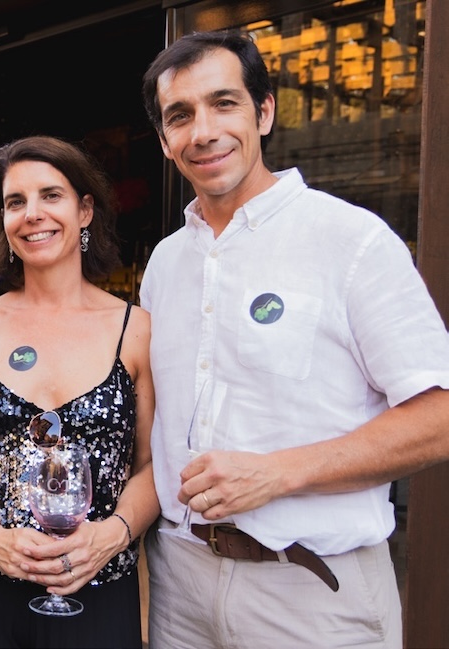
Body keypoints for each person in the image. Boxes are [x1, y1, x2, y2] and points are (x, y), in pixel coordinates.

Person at [139, 30, 449, 648]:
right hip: (180, 585)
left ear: (265, 111)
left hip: (314, 593)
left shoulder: (351, 240)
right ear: (165, 140)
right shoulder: (165, 263)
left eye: (224, 103)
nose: (203, 131)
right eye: (181, 115)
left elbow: (439, 416)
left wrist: (278, 474)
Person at [0, 135, 159, 648]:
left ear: (85, 210)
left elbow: (152, 465)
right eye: (15, 202)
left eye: (51, 195)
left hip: (96, 590)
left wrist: (112, 534)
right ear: (4, 224)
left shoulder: (136, 328)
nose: (33, 214)